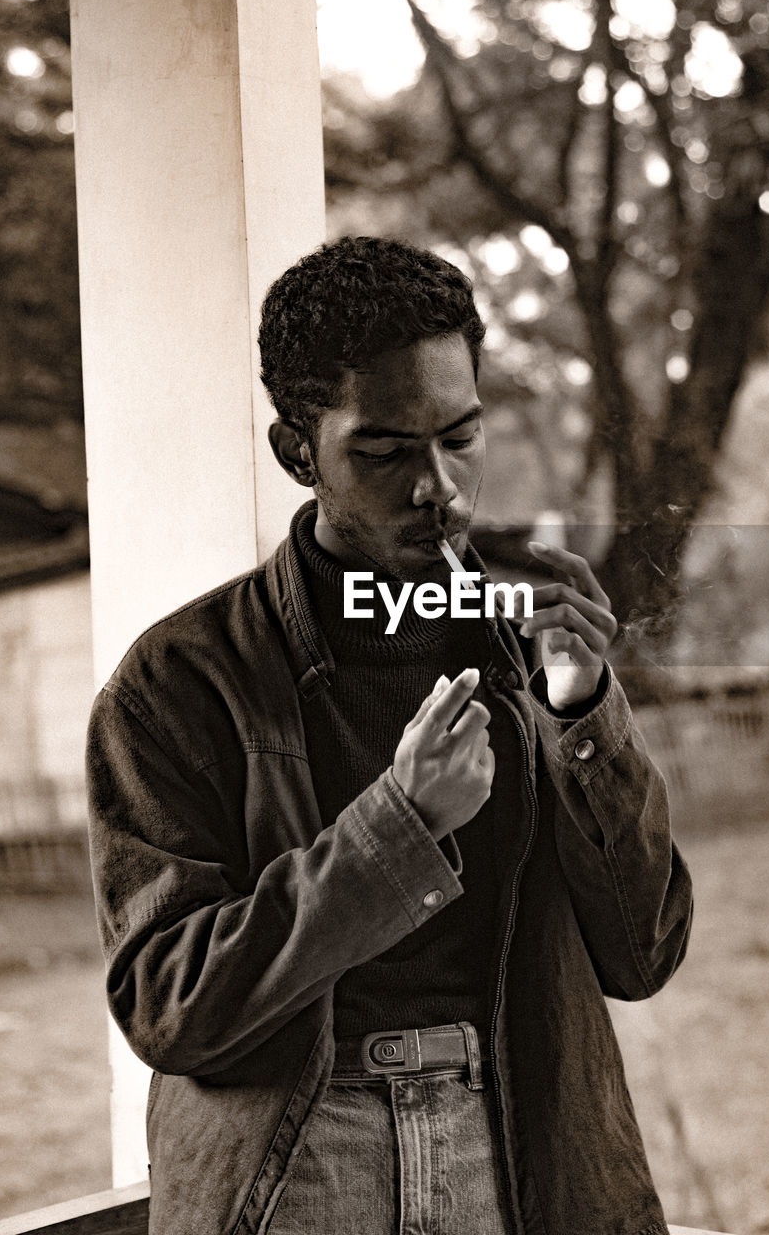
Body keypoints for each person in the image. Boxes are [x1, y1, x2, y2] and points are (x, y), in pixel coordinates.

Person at [86, 235, 693, 1235]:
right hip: (296, 1165)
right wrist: (397, 825)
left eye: (460, 437)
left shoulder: (523, 636)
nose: (440, 487)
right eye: (385, 451)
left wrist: (582, 716)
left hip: (517, 1141)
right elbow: (171, 1004)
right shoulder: (179, 680)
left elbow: (642, 949)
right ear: (297, 452)